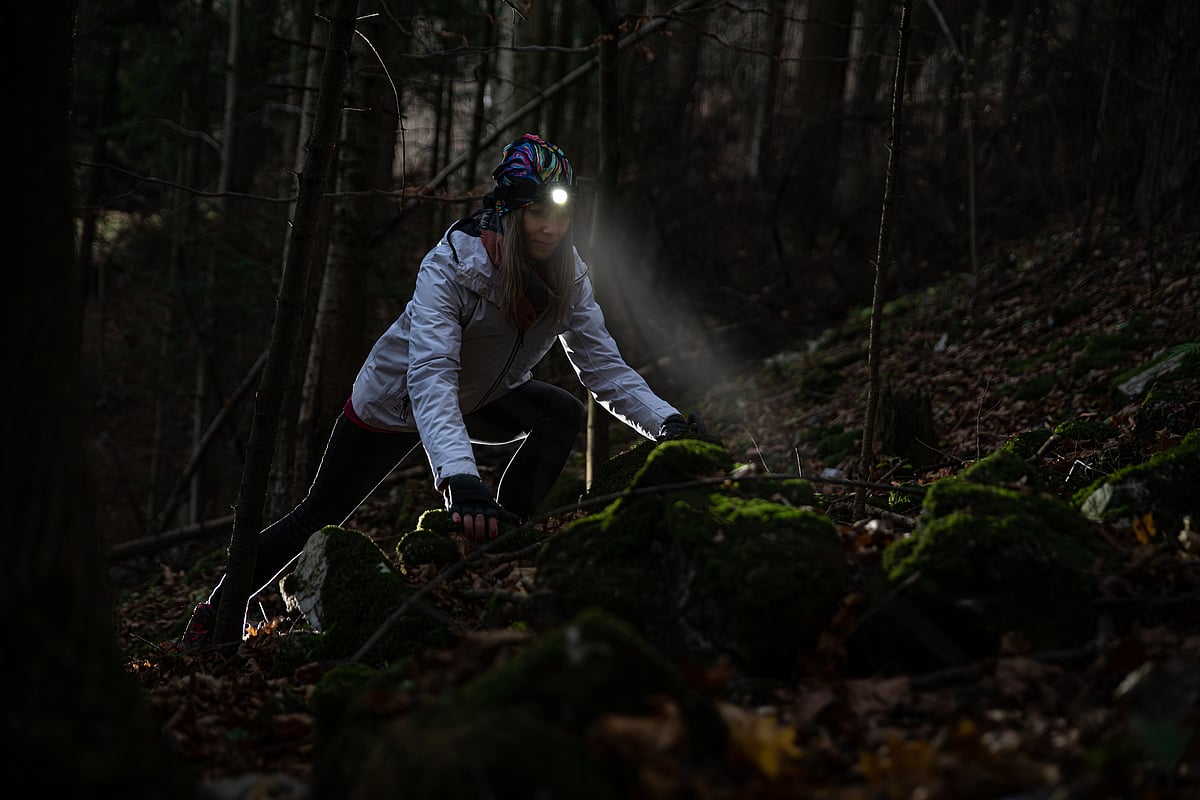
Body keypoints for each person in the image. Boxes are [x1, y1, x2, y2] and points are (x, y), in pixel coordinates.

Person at [181, 133, 704, 651]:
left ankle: (503, 538)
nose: (551, 227)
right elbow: (430, 373)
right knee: (317, 515)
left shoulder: (571, 277)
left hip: (478, 399)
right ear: (508, 212)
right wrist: (460, 480)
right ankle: (217, 611)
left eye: (561, 214)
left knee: (559, 412)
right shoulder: (453, 265)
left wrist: (667, 423)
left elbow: (604, 368)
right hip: (394, 405)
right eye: (536, 212)